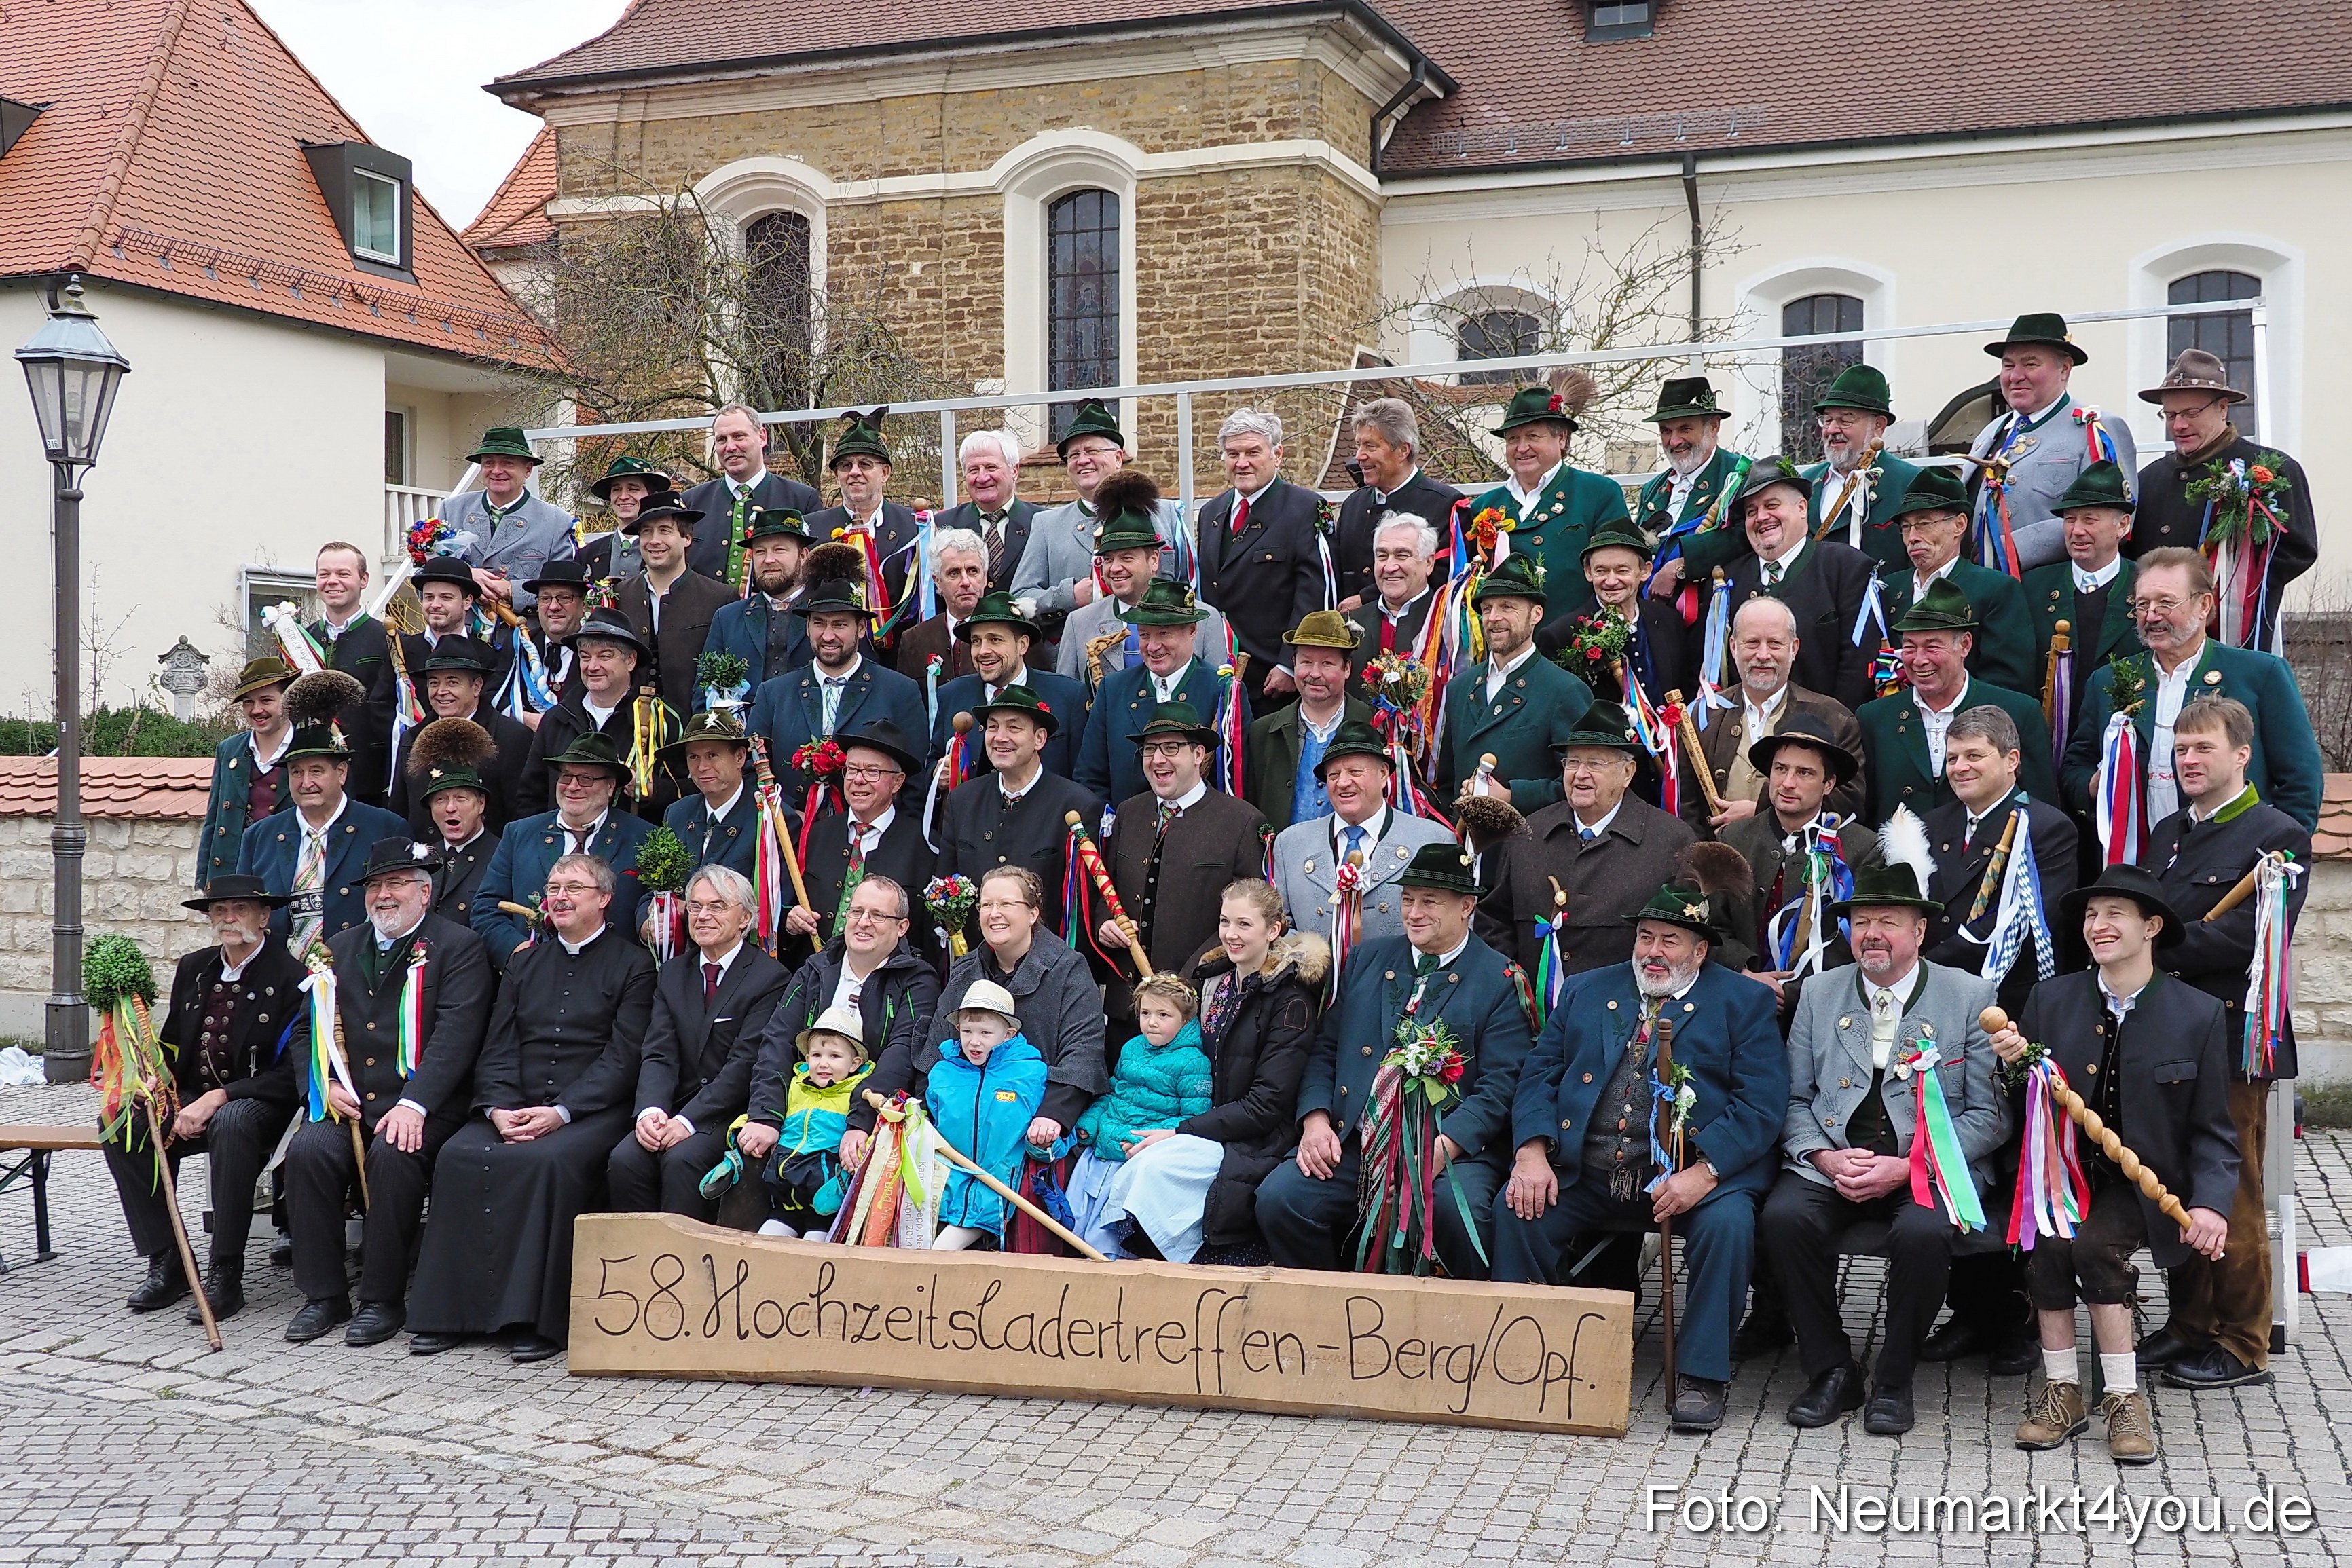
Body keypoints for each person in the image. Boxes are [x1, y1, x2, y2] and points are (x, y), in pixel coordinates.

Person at [1493, 882, 1788, 1433]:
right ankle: (1528, 1359)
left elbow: (1762, 1103)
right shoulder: (1586, 989)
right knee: (1519, 1209)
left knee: (1728, 1225)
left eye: (1670, 941)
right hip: (1588, 1170)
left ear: (1700, 950)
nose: (1653, 951)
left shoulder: (1741, 1002)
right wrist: (1531, 1152)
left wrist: (1706, 1173)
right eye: (1646, 937)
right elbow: (1539, 1074)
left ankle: (1701, 1375)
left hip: (1695, 1172)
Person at [1990, 866, 2236, 1466]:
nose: (2097, 926)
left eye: (2114, 915)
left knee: (2096, 1246)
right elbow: (2021, 1103)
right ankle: (2063, 1392)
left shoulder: (2199, 1014)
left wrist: (2210, 1204)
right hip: (2060, 1172)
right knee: (2049, 1243)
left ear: (2151, 928)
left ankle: (2123, 1397)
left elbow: (2214, 1131)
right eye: (2091, 915)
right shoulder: (2051, 999)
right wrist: (2014, 1066)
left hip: (2142, 1185)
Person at [1761, 863, 2005, 1437]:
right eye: (1862, 921)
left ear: (1919, 931)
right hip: (1833, 1159)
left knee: (1923, 1234)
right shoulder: (1819, 992)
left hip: (1927, 1164)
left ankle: (1894, 1380)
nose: (1872, 933)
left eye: (1888, 921)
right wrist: (1823, 1158)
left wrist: (1910, 1166)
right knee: (1783, 1219)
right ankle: (1831, 1371)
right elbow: (1793, 1098)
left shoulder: (1969, 995)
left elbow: (1990, 1115)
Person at [409, 853, 658, 1361]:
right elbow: (498, 1043)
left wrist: (561, 1112)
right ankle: (451, 1314)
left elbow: (623, 1057)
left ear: (604, 899)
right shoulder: (524, 962)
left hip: (591, 1110)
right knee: (458, 1156)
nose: (560, 897)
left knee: (548, 1162)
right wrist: (497, 1108)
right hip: (515, 1102)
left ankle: (535, 1320)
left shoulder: (634, 965)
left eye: (573, 888)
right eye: (553, 887)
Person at [1257, 842, 1533, 1280]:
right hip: (1355, 1139)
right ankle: (1332, 1306)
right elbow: (1326, 1048)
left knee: (1457, 1215)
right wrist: (1315, 1120)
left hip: (1449, 1149)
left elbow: (1500, 1085)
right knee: (1281, 1199)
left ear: (1466, 906)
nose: (1414, 913)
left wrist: (1444, 1147)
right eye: (1407, 899)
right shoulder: (1367, 958)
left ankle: (1458, 1320)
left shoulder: (1500, 979)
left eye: (1430, 902)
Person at [2139, 696, 2311, 1390]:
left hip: (2235, 1038)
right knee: (2179, 1185)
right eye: (2180, 748)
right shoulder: (2167, 833)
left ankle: (2243, 1341)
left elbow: (2248, 939)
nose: (2188, 759)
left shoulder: (2277, 836)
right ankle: (2190, 1324)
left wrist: (2150, 948)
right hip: (2170, 1035)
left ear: (2241, 755)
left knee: (2231, 1189)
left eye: (2202, 747)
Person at [280, 838, 494, 1347]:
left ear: (425, 892)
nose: (383, 895)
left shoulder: (459, 947)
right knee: (307, 1152)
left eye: (396, 883)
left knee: (394, 1156)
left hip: (427, 1104)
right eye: (375, 885)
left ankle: (382, 1298)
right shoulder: (338, 948)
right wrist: (324, 1085)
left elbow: (457, 1035)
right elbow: (307, 1029)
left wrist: (415, 1104)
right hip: (350, 1102)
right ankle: (324, 1295)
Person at [107, 876, 304, 1319]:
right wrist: (153, 1075)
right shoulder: (194, 968)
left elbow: (292, 1074)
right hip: (192, 1095)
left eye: (240, 909)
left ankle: (225, 1273)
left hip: (261, 1102)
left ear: (264, 916)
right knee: (123, 1121)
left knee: (232, 1122)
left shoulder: (292, 977)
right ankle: (169, 1259)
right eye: (219, 910)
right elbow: (174, 1042)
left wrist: (220, 1097)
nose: (228, 918)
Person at [1109, 881, 1319, 1264]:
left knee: (1152, 1169)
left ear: (1273, 930)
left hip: (1257, 1138)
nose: (1231, 934)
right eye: (1225, 922)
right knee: (1123, 1160)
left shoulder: (1291, 1001)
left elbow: (1266, 1105)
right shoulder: (1215, 983)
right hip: (1207, 1121)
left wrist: (1179, 1131)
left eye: (1244, 924)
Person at [2063, 547, 2322, 834]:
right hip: (2134, 853)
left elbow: (2300, 779)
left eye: (2166, 603)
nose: (2152, 616)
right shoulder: (2108, 680)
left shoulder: (2260, 674)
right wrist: (2097, 784)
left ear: (2204, 605)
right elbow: (2076, 765)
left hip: (2235, 850)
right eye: (2143, 604)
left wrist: (2281, 848)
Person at [608, 865, 789, 1218]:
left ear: (745, 919)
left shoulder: (769, 978)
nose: (703, 916)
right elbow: (659, 1052)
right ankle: (634, 1252)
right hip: (675, 1105)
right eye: (695, 906)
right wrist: (651, 1111)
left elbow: (744, 1064)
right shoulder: (673, 973)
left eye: (717, 906)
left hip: (729, 1111)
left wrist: (687, 1122)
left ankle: (680, 1254)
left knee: (682, 1160)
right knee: (626, 1159)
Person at [1477, 701, 1697, 977]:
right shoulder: (1527, 833)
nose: (1580, 774)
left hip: (1623, 1003)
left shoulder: (1671, 841)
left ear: (1627, 773)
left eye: (1595, 763)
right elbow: (1495, 921)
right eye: (1573, 762)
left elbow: (1685, 942)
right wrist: (1515, 987)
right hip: (1533, 1001)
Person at [2130, 350, 2316, 651]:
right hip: (2158, 639)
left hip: (2232, 637)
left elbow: (2296, 550)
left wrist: (2219, 591)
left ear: (2222, 408)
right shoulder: (2149, 478)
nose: (2179, 425)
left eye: (2191, 413)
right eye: (2171, 415)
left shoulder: (2270, 469)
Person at [748, 874, 940, 1164]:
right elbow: (778, 1040)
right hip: (797, 1111)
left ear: (901, 927)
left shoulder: (918, 979)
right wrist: (766, 1115)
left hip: (870, 1118)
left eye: (878, 915)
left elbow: (902, 1052)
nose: (863, 922)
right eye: (857, 911)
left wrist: (860, 1122)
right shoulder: (815, 969)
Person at [1097, 702, 1269, 1026]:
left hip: (1196, 1003)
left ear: (1198, 754)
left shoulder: (1242, 821)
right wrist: (1105, 923)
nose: (1158, 759)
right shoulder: (1129, 812)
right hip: (1127, 1005)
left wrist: (1184, 984)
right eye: (1150, 750)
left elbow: (1251, 918)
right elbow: (1107, 886)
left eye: (1171, 748)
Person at [930, 866, 1108, 1161]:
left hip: (1039, 1130)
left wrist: (1053, 1113)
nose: (994, 914)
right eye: (986, 905)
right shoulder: (964, 973)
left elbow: (1083, 1050)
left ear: (1033, 914)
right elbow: (936, 1047)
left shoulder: (1068, 969)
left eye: (1006, 904)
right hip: (960, 1129)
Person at [1919, 706, 2078, 1021]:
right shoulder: (1929, 825)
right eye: (1952, 758)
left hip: (2004, 1002)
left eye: (1974, 756)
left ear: (2012, 760)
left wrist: (1928, 965)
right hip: (1929, 995)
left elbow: (2023, 921)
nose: (1960, 767)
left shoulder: (2047, 828)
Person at [1856, 580, 2055, 821]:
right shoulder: (1874, 717)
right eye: (1909, 648)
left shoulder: (2019, 711)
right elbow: (1866, 810)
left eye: (1932, 647)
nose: (1919, 660)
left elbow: (2042, 810)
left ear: (1965, 645)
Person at [1716, 718, 1883, 992]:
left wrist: (1797, 991)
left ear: (1828, 784)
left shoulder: (1862, 848)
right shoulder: (1733, 839)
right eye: (1781, 769)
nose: (1788, 783)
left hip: (1821, 998)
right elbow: (1712, 924)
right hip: (1738, 994)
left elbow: (1859, 937)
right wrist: (1744, 973)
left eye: (1804, 773)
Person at [1967, 313, 2139, 576]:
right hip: (1983, 584)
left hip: (2052, 587)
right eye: (2008, 365)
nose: (2016, 376)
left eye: (2030, 364)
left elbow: (2113, 518)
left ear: (2065, 369)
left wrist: (2012, 549)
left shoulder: (2095, 428)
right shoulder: (1992, 431)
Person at [234, 690, 405, 951]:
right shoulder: (259, 836)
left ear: (341, 773)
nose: (306, 783)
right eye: (296, 772)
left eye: (316, 771)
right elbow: (244, 912)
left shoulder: (385, 828)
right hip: (280, 970)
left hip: (357, 965)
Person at [745, 566, 930, 807]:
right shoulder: (772, 693)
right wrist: (790, 818)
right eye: (819, 624)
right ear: (807, 627)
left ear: (861, 628)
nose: (828, 636)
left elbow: (915, 782)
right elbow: (752, 772)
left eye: (840, 625)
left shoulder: (900, 692)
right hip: (790, 826)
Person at [1708, 459, 1882, 714]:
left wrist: (1832, 728)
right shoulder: (1726, 582)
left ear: (1802, 508)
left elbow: (1858, 666)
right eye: (1751, 511)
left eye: (1772, 505)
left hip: (1825, 728)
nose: (1761, 517)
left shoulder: (1846, 568)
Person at [1678, 597, 1866, 832]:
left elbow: (1851, 802)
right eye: (1752, 643)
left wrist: (1762, 811)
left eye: (1775, 643)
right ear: (1733, 647)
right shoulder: (1702, 714)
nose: (1763, 655)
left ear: (1794, 648)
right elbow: (1686, 805)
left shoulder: (1835, 719)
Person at [473, 734, 654, 971]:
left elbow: (654, 908)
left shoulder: (643, 837)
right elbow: (486, 907)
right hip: (532, 974)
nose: (573, 787)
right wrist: (521, 952)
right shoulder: (519, 833)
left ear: (610, 786)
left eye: (586, 779)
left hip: (614, 975)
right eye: (566, 776)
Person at [934, 686, 1103, 940]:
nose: (1000, 737)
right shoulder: (963, 800)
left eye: (1013, 728)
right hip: (975, 957)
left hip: (1047, 959)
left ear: (1039, 739)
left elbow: (1081, 910)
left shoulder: (1077, 806)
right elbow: (944, 888)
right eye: (993, 727)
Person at [1270, 721, 1454, 952]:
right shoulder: (1290, 844)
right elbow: (1281, 927)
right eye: (1333, 775)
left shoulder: (1433, 841)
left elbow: (1449, 931)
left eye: (1355, 772)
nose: (1343, 783)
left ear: (1383, 774)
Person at [1014, 401, 1189, 643]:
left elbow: (1189, 589)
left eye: (1092, 451)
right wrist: (1068, 596)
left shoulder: (1165, 514)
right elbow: (1020, 599)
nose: (1082, 460)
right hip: (1080, 655)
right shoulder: (1047, 525)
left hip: (1158, 652)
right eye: (1074, 455)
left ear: (1118, 457)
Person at [1067, 973, 1213, 1255]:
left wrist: (1141, 1139)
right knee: (1076, 1218)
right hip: (1100, 1151)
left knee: (1107, 1232)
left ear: (1185, 1020)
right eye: (1146, 1013)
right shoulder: (1132, 1047)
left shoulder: (1193, 1063)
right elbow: (1114, 1092)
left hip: (1134, 1154)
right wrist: (1090, 1122)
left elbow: (1193, 1119)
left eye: (1163, 1015)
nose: (1152, 1022)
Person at [1461, 381, 1628, 622]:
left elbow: (1618, 575)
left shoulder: (1598, 493)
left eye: (1532, 436)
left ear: (1561, 439)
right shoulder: (1484, 506)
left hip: (1577, 637)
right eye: (1512, 439)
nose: (1521, 448)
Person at [1193, 407, 1327, 705]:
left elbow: (1315, 595)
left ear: (1277, 455)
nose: (1242, 463)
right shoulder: (1211, 512)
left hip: (1273, 679)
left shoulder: (1305, 509)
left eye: (1253, 452)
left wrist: (1291, 663)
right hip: (1218, 672)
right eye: (1233, 454)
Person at [1436, 555, 1594, 808]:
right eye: (1487, 609)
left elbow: (1582, 784)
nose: (1493, 617)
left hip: (1532, 832)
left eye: (1507, 607)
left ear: (1536, 614)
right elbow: (1447, 784)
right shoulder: (1459, 688)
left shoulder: (1565, 690)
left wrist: (1511, 796)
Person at [1078, 579, 1247, 809]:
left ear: (1192, 631)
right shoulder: (1114, 689)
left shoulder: (1222, 690)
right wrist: (1116, 824)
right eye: (1144, 635)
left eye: (1164, 633)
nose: (1153, 646)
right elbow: (1090, 778)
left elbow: (1237, 780)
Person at [1877, 468, 2036, 694]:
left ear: (1960, 525)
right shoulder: (1889, 588)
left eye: (1924, 524)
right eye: (1906, 527)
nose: (1912, 537)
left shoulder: (1995, 589)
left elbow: (2007, 682)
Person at [792, 722, 934, 968]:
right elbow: (791, 906)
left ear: (897, 782)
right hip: (813, 975)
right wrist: (792, 921)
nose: (858, 780)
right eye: (852, 770)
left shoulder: (924, 844)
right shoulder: (817, 834)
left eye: (872, 772)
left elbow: (928, 935)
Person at [925, 979, 1049, 1250]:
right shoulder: (942, 1073)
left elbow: (1047, 1138)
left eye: (985, 1033)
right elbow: (933, 1126)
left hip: (995, 1192)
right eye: (967, 1031)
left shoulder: (1030, 1073)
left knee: (940, 1252)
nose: (974, 1041)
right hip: (941, 1191)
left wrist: (1043, 1145)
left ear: (1009, 1034)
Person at [368, 556, 513, 781]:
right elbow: (381, 707)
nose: (435, 605)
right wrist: (412, 738)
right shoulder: (402, 650)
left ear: (467, 602)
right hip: (414, 766)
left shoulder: (487, 655)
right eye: (429, 597)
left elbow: (489, 709)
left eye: (446, 597)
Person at [2022, 462, 2143, 719]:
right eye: (2070, 520)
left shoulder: (2146, 585)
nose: (2077, 531)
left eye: (2089, 520)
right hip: (2049, 733)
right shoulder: (2032, 587)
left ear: (2123, 525)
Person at [927, 591, 1090, 780]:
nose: (983, 651)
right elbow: (931, 763)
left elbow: (1085, 775)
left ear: (1022, 645)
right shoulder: (951, 694)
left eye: (995, 640)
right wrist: (937, 775)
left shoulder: (1069, 695)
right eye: (976, 641)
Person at [384, 643, 533, 836]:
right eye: (434, 683)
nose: (441, 691)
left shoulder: (512, 737)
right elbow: (400, 811)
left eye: (452, 682)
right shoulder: (412, 739)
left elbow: (523, 815)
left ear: (477, 687)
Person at [750, 1004, 873, 1237]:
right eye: (817, 1055)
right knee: (763, 1242)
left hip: (825, 1204)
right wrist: (737, 1132)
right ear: (807, 1059)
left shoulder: (857, 1093)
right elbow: (765, 1117)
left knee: (813, 1248)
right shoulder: (796, 1086)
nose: (823, 1063)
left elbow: (867, 1136)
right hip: (787, 1197)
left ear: (855, 1064)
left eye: (834, 1056)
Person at [1244, 610, 1369, 832]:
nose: (1315, 674)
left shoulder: (1374, 724)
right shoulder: (1262, 732)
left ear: (1347, 668)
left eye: (1327, 663)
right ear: (1294, 663)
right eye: (1306, 662)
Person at [517, 609, 652, 814]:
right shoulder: (557, 719)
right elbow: (531, 796)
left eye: (605, 656)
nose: (592, 666)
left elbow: (685, 790)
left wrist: (654, 790)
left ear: (631, 660)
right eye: (585, 657)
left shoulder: (659, 718)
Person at [613, 491, 735, 717]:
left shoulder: (720, 598)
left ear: (687, 538)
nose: (654, 540)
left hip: (693, 727)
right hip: (627, 728)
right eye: (647, 531)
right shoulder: (619, 595)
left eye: (665, 530)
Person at [1331, 398, 1460, 611]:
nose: (1359, 456)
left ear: (1403, 450)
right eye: (1358, 445)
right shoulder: (1354, 504)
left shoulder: (1446, 505)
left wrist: (1366, 599)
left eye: (1370, 446)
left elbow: (1445, 581)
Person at [677, 403, 822, 585]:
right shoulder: (691, 502)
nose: (730, 447)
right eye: (722, 439)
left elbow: (814, 572)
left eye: (739, 436)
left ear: (762, 437)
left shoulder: (802, 499)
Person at [437, 426, 578, 612]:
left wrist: (512, 590)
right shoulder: (452, 510)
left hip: (524, 626)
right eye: (489, 463)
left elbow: (567, 591)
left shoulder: (556, 522)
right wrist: (465, 575)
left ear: (528, 469)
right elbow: (426, 577)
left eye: (508, 463)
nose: (496, 471)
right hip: (460, 627)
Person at [1632, 376, 1750, 596]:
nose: (1674, 441)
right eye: (1666, 431)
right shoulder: (1652, 490)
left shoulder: (1740, 476)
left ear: (1713, 426)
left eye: (1685, 429)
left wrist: (1680, 566)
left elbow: (1746, 536)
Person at [803, 408, 921, 625]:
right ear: (837, 475)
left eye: (865, 464)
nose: (855, 472)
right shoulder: (811, 529)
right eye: (845, 466)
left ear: (885, 473)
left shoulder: (914, 527)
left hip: (899, 643)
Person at [1801, 367, 1923, 574]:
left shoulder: (1910, 482)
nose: (1831, 430)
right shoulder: (1806, 483)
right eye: (1827, 420)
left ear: (1878, 425)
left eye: (1845, 420)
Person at [1550, 517, 1689, 698]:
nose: (1611, 581)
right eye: (1601, 571)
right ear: (1588, 572)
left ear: (1645, 571)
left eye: (1622, 570)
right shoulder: (1560, 635)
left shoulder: (1670, 621)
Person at [197, 657, 296, 886]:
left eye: (266, 700)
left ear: (288, 701)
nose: (257, 710)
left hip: (288, 873)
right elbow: (214, 819)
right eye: (248, 702)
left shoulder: (307, 748)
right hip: (235, 873)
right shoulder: (229, 749)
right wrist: (205, 881)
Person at [307, 541, 391, 802]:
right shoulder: (300, 640)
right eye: (324, 574)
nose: (332, 581)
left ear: (364, 580)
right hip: (310, 780)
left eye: (343, 574)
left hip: (370, 783)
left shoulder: (388, 640)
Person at [701, 508, 815, 690]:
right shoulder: (728, 618)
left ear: (803, 556)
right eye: (760, 551)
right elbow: (704, 688)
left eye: (779, 550)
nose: (768, 560)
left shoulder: (825, 614)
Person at [657, 710, 763, 882]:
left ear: (740, 757)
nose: (702, 767)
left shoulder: (768, 817)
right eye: (694, 757)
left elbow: (775, 895)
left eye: (712, 755)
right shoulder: (677, 813)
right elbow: (658, 888)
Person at [935, 428, 1035, 593]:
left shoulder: (1042, 522)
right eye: (973, 470)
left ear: (1015, 471)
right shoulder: (942, 526)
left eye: (991, 467)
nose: (982, 478)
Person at [1341, 514, 1438, 676]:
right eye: (1382, 556)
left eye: (1402, 555)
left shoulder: (1448, 623)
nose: (1389, 567)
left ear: (1429, 563)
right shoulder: (1346, 625)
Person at [894, 526, 988, 684]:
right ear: (937, 581)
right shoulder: (914, 639)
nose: (965, 582)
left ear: (984, 578)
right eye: (954, 573)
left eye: (973, 571)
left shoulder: (1008, 632)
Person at [419, 753, 495, 926]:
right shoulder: (423, 859)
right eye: (440, 800)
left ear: (481, 804)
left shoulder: (502, 857)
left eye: (461, 798)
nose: (450, 808)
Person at [511, 559, 595, 713]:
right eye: (545, 599)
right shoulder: (520, 643)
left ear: (584, 604)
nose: (554, 606)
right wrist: (528, 719)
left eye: (564, 598)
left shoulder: (596, 649)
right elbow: (494, 697)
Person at [575, 453, 673, 582]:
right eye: (616, 490)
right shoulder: (587, 555)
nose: (623, 496)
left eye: (633, 489)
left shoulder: (667, 550)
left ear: (651, 496)